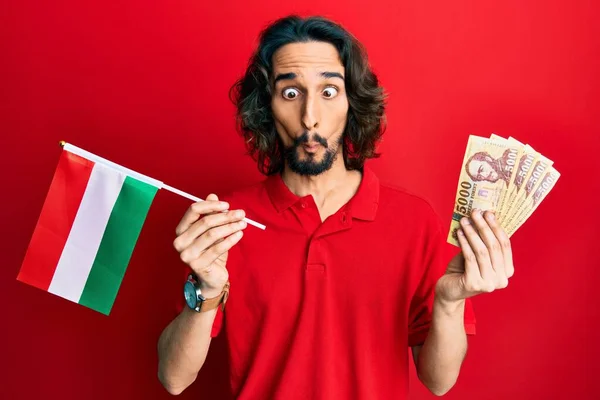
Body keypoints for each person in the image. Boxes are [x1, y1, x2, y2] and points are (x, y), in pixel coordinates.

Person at [157, 15, 515, 399]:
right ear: (266, 106)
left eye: (329, 91)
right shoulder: (226, 223)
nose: (311, 117)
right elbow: (174, 378)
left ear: (352, 103)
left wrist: (449, 302)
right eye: (291, 93)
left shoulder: (415, 221)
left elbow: (439, 382)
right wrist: (206, 290)